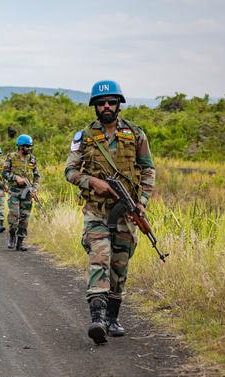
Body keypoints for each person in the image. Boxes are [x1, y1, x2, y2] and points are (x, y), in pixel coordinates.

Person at [65, 80, 156, 344]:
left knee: (119, 264)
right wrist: (92, 182)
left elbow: (148, 169)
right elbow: (70, 171)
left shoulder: (136, 135)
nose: (107, 106)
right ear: (95, 106)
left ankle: (113, 317)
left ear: (118, 104)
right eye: (102, 102)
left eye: (112, 102)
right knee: (99, 258)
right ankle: (97, 319)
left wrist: (143, 202)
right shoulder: (83, 137)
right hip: (96, 211)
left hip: (126, 212)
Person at [2, 134, 40, 251]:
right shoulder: (11, 157)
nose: (29, 148)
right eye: (27, 146)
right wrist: (15, 178)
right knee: (14, 216)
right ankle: (12, 236)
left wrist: (35, 188)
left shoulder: (32, 159)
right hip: (14, 192)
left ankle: (20, 242)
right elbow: (4, 173)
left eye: (30, 146)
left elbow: (37, 176)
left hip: (27, 193)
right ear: (20, 147)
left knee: (25, 218)